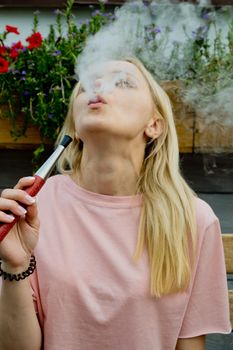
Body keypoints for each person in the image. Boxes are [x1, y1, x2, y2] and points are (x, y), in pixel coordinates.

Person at [0, 57, 231, 350]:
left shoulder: (193, 219)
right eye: (86, 84)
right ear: (77, 128)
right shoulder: (34, 208)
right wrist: (15, 263)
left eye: (122, 82)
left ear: (154, 125)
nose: (98, 86)